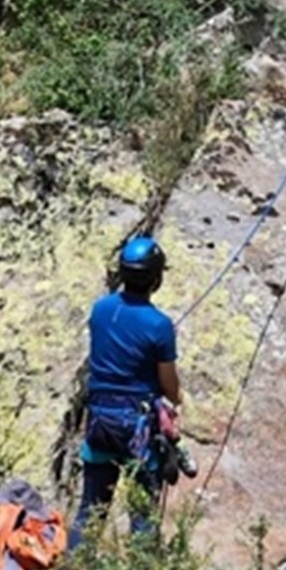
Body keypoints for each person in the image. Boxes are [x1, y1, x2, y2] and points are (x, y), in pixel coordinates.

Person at [69, 235, 182, 548]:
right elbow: (169, 383)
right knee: (143, 513)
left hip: (101, 421)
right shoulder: (159, 325)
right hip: (138, 427)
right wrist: (178, 399)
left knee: (91, 510)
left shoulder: (101, 310)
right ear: (156, 278)